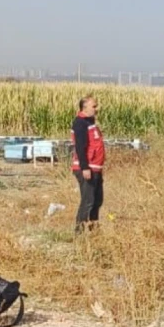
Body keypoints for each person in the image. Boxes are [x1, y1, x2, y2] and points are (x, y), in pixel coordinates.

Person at [71, 96, 106, 234]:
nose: (96, 109)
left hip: (95, 168)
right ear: (84, 108)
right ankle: (79, 231)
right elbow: (80, 147)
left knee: (97, 200)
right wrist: (85, 167)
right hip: (86, 168)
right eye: (94, 106)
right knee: (88, 200)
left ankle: (93, 228)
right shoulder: (80, 123)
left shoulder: (90, 123)